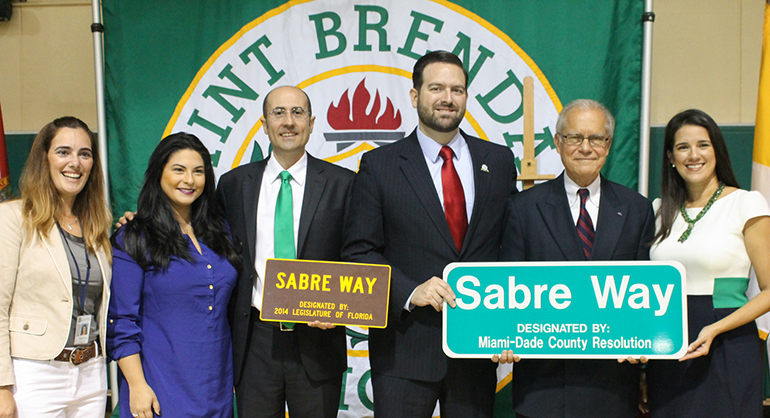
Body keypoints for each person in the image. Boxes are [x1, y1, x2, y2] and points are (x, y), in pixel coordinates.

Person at [341, 50, 518, 418]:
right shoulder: (380, 165)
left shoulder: (499, 161)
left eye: (457, 89)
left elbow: (510, 249)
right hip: (405, 349)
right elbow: (359, 251)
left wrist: (508, 325)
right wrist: (411, 291)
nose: (447, 98)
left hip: (477, 348)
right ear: (415, 96)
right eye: (436, 88)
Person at [494, 99, 655, 418]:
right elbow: (507, 288)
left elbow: (646, 294)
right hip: (543, 391)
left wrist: (644, 345)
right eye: (574, 137)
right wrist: (504, 334)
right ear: (557, 142)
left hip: (613, 391)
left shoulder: (636, 208)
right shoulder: (524, 208)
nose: (585, 147)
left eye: (596, 138)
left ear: (608, 145)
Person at [217, 86, 354, 418]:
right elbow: (203, 240)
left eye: (297, 112)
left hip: (319, 339)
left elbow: (358, 255)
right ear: (264, 124)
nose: (288, 121)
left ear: (311, 122)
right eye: (278, 113)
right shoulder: (234, 185)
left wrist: (338, 308)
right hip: (255, 342)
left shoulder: (344, 184)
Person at [646, 109, 770, 418]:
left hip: (728, 342)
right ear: (670, 157)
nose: (693, 155)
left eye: (703, 144)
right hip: (670, 345)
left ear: (717, 150)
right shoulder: (659, 209)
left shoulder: (746, 202)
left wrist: (714, 328)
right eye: (682, 147)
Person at [108, 133, 241, 418]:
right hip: (159, 391)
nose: (189, 180)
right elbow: (121, 322)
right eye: (178, 169)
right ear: (159, 173)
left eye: (198, 171)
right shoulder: (134, 236)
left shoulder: (220, 233)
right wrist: (137, 385)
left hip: (216, 390)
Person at [0, 116, 112, 417]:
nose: (74, 162)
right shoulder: (13, 218)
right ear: (44, 159)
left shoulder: (98, 228)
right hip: (34, 374)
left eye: (84, 154)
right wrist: (1, 388)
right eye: (63, 152)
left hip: (91, 371)